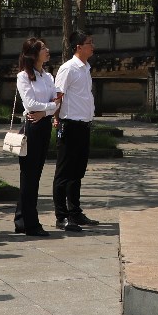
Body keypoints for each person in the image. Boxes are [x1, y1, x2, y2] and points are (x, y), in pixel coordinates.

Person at [52, 30, 98, 232]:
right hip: (70, 125)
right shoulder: (68, 68)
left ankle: (75, 212)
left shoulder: (85, 68)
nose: (92, 46)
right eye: (89, 43)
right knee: (64, 172)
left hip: (83, 125)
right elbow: (58, 95)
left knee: (77, 172)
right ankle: (61, 216)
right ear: (78, 47)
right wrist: (56, 118)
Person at [13, 37, 57, 236]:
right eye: (42, 48)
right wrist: (48, 108)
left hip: (44, 125)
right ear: (33, 53)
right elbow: (30, 104)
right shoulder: (23, 76)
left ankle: (22, 218)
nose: (47, 50)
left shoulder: (47, 76)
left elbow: (57, 103)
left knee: (36, 175)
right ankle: (30, 223)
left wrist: (45, 111)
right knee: (29, 175)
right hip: (32, 127)